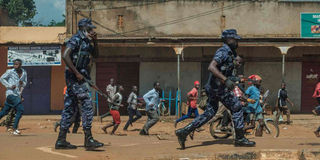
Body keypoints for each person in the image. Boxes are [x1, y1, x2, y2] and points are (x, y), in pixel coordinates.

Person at [175, 29, 255, 149]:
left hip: (214, 88)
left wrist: (234, 77)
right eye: (235, 39)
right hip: (219, 89)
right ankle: (239, 138)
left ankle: (184, 131)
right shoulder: (223, 51)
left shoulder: (231, 53)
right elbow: (211, 67)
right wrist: (226, 80)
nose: (237, 41)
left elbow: (225, 70)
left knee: (210, 113)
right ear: (228, 40)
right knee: (237, 107)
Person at [55, 18, 104, 150]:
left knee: (69, 107)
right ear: (83, 28)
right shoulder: (76, 39)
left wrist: (95, 41)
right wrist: (76, 73)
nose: (91, 31)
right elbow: (65, 56)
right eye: (89, 29)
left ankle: (61, 140)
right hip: (74, 78)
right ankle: (88, 139)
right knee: (87, 105)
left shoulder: (87, 41)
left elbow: (97, 56)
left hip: (81, 77)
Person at [0, 59, 27, 135]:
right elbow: (1, 78)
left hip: (17, 94)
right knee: (20, 109)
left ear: (20, 65)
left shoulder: (24, 72)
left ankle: (14, 128)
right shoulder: (10, 71)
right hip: (10, 94)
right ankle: (14, 128)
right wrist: (9, 86)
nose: (15, 66)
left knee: (4, 112)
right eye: (14, 64)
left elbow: (25, 83)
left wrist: (22, 83)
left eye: (17, 64)